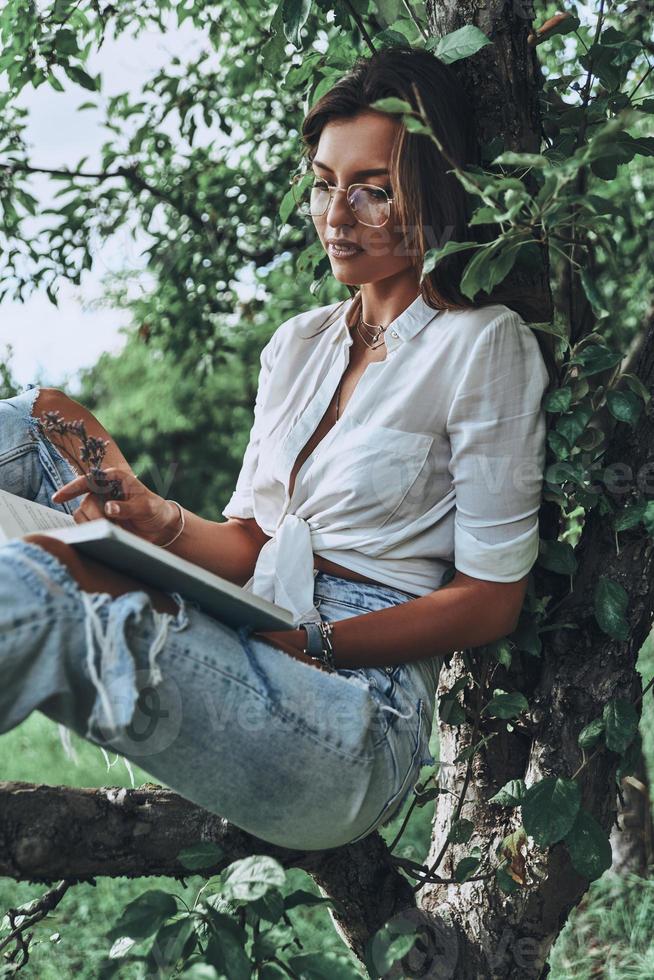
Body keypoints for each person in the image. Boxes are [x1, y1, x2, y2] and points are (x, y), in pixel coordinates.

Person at [0, 45, 552, 851]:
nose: (337, 216)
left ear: (432, 193)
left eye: (372, 191)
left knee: (43, 584)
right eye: (327, 185)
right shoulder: (299, 344)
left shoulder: (483, 345)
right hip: (250, 624)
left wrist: (312, 643)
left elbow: (490, 600)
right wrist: (160, 523)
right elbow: (252, 545)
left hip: (355, 711)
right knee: (34, 420)